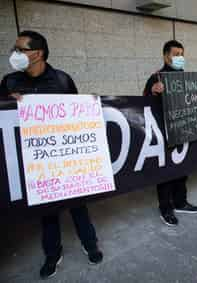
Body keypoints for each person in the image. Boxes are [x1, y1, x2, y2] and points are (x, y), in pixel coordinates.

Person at [0, 31, 103, 279]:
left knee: (78, 206)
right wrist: (7, 103)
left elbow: (79, 116)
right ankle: (52, 254)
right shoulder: (9, 82)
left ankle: (90, 245)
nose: (14, 54)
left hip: (64, 159)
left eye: (20, 49)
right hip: (32, 160)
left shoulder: (62, 80)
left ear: (38, 53)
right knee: (47, 212)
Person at [143, 40, 197, 226]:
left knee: (182, 169)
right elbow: (143, 103)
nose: (180, 57)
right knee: (166, 173)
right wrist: (153, 91)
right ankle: (165, 208)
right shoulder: (157, 77)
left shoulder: (185, 78)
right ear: (165, 56)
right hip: (164, 133)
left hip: (183, 130)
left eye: (182, 54)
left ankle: (180, 202)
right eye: (176, 54)